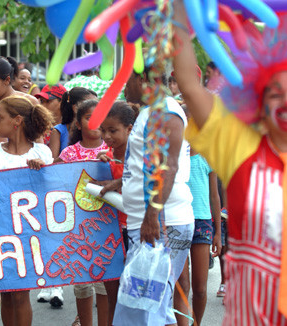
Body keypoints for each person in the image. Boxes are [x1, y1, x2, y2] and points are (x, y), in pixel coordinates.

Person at [173, 2, 287, 324]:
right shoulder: (239, 149)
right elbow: (188, 83)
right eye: (275, 93)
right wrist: (180, 11)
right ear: (259, 103)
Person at [111, 67, 195, 325]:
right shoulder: (150, 111)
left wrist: (152, 217)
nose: (123, 88)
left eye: (126, 81)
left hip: (161, 224)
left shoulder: (164, 112)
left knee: (148, 310)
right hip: (151, 222)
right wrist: (120, 182)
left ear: (142, 79)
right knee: (150, 307)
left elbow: (167, 167)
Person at [0, 95, 54, 326]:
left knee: (21, 293)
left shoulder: (42, 154)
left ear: (17, 121)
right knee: (7, 291)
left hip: (28, 234)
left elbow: (52, 193)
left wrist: (42, 173)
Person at [56, 99, 109, 326]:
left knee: (105, 281)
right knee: (82, 281)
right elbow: (54, 177)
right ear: (78, 124)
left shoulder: (112, 150)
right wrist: (41, 164)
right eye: (89, 117)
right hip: (78, 227)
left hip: (107, 226)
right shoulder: (69, 154)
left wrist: (111, 163)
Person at [96, 101, 138, 325]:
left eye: (113, 130)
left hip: (136, 233)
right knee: (113, 297)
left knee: (135, 297)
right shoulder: (104, 160)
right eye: (103, 130)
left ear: (130, 129)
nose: (106, 135)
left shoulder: (141, 160)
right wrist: (99, 165)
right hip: (110, 235)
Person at [174, 147, 222, 326]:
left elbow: (214, 196)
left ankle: (196, 323)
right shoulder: (174, 153)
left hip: (202, 223)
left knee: (200, 288)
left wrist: (218, 232)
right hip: (177, 221)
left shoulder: (208, 155)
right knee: (182, 285)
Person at [48, 87, 98, 158]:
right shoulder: (58, 131)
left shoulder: (97, 130)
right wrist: (66, 158)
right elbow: (53, 164)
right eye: (90, 104)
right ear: (75, 108)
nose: (96, 109)